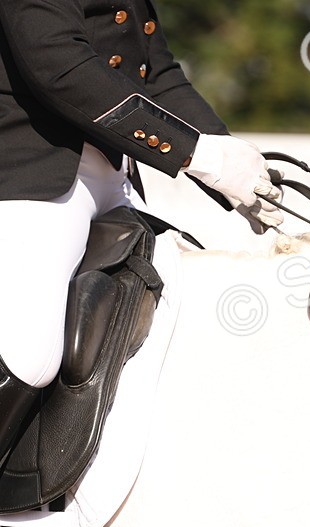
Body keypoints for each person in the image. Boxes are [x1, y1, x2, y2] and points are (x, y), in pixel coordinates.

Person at [0, 0, 282, 466]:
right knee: (32, 353)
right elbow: (59, 65)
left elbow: (155, 74)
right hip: (31, 173)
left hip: (114, 178)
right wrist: (198, 157)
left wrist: (240, 166)